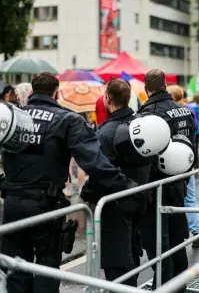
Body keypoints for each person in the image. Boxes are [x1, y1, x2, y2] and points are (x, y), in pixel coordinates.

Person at [0, 72, 136, 293]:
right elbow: (94, 162)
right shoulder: (67, 119)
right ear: (56, 92)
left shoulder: (12, 117)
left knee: (16, 270)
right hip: (46, 206)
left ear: (32, 91)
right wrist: (126, 185)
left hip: (13, 205)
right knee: (46, 268)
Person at [83, 78, 152, 286]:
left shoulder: (105, 132)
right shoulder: (141, 125)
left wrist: (88, 194)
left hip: (115, 202)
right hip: (140, 197)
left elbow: (100, 171)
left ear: (107, 99)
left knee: (116, 260)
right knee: (132, 250)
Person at [138, 70, 195, 293]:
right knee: (177, 235)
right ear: (166, 85)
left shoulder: (148, 114)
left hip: (157, 184)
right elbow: (191, 143)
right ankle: (179, 284)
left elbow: (144, 152)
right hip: (180, 180)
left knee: (157, 241)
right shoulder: (185, 110)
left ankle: (163, 286)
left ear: (146, 89)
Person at [167, 85, 199, 248]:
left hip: (172, 162)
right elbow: (195, 133)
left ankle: (174, 235)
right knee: (190, 198)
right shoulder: (188, 112)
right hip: (188, 160)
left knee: (173, 199)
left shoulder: (167, 114)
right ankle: (197, 234)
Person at [188, 94, 199, 167]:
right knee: (196, 146)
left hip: (191, 128)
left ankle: (192, 162)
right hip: (198, 128)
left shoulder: (189, 107)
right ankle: (197, 163)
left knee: (191, 146)